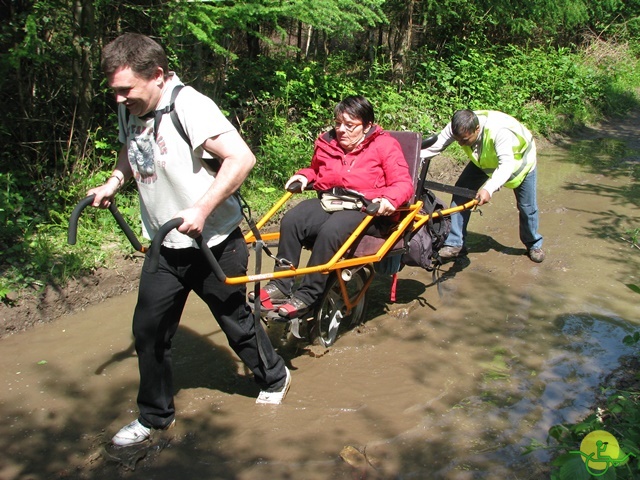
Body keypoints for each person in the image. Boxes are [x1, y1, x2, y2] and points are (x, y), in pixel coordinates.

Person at [88, 33, 290, 447]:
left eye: (125, 89)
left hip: (213, 241)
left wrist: (200, 209)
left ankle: (275, 376)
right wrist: (114, 181)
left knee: (236, 322)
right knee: (148, 332)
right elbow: (133, 147)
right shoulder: (133, 106)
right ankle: (155, 416)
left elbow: (242, 158)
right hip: (165, 244)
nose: (119, 99)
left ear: (157, 75)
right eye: (115, 91)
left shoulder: (189, 106)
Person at [251, 95, 415, 318]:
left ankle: (309, 294)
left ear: (367, 126)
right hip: (331, 200)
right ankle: (281, 285)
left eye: (350, 125)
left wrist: (388, 200)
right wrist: (303, 177)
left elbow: (403, 184)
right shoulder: (327, 142)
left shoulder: (384, 145)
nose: (341, 130)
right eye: (338, 123)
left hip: (367, 209)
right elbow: (316, 171)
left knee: (332, 229)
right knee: (292, 219)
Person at [420, 109, 545, 263]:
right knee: (462, 192)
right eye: (457, 140)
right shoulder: (457, 128)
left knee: (527, 207)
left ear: (477, 129)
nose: (460, 144)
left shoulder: (500, 132)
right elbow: (434, 147)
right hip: (484, 159)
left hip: (520, 162)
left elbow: (506, 165)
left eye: (464, 140)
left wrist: (488, 188)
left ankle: (533, 244)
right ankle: (455, 244)